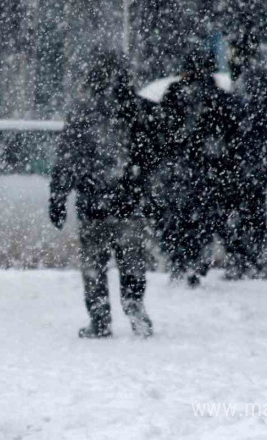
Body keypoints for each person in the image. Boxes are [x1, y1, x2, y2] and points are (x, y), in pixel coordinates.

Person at [49, 51, 152, 339]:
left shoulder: (83, 113)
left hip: (93, 203)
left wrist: (58, 197)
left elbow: (66, 160)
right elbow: (151, 158)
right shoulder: (137, 110)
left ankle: (100, 319)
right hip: (128, 203)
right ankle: (134, 308)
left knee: (94, 266)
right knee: (131, 263)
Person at [156, 47, 238, 287]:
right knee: (204, 218)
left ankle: (178, 261)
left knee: (177, 217)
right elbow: (232, 137)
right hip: (211, 169)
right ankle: (197, 260)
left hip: (179, 168)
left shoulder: (174, 93)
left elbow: (161, 130)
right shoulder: (220, 97)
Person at [225, 32, 267, 280]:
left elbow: (247, 118)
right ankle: (252, 259)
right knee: (252, 210)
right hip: (255, 157)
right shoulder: (258, 75)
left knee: (247, 209)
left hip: (249, 158)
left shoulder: (252, 77)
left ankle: (248, 260)